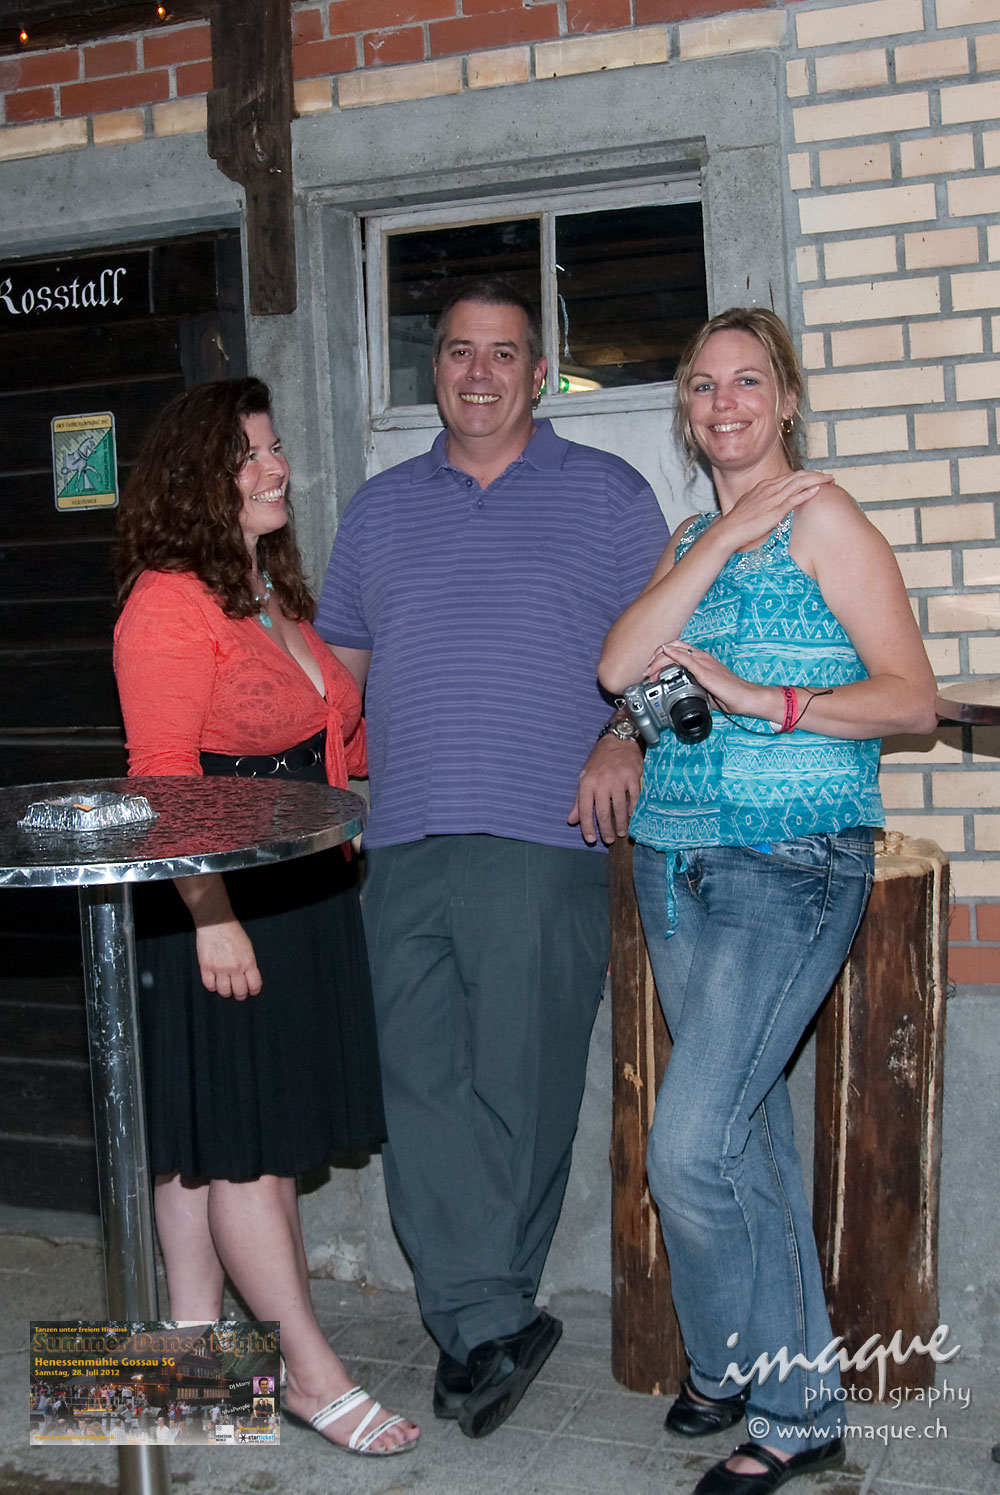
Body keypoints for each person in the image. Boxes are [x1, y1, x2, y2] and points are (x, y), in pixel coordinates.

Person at [316, 277, 669, 1437]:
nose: (478, 373)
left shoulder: (608, 495)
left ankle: (479, 1318)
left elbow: (674, 656)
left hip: (543, 835)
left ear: (539, 372)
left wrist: (621, 737)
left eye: (503, 353)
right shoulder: (377, 511)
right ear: (435, 370)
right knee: (416, 1084)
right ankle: (486, 1320)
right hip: (397, 838)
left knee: (518, 1086)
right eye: (459, 352)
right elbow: (334, 688)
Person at [599, 308, 937, 1495]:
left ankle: (795, 1411)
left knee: (690, 1146)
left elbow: (910, 698)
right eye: (702, 386)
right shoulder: (695, 531)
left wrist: (764, 698)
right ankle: (733, 1369)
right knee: (737, 1137)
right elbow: (617, 666)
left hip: (788, 860)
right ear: (686, 412)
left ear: (786, 398)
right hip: (673, 860)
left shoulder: (826, 517)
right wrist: (719, 538)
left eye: (747, 381)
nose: (724, 403)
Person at [113, 378, 420, 1459]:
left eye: (276, 445)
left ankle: (191, 1358)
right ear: (198, 479)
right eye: (249, 454)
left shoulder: (263, 591)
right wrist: (212, 915)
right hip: (221, 900)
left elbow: (332, 735)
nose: (276, 465)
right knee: (247, 1147)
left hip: (298, 892)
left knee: (208, 1139)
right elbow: (163, 780)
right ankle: (307, 1373)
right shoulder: (167, 602)